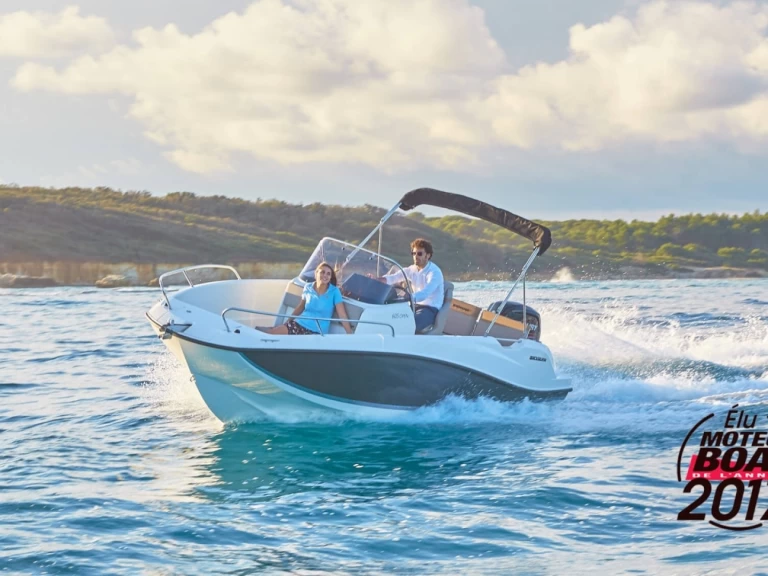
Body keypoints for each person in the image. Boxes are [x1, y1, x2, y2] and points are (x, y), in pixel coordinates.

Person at [265, 262, 353, 335]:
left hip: (318, 332)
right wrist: (287, 323)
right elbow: (300, 307)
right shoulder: (308, 287)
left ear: (330, 278)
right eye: (322, 272)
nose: (325, 275)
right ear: (316, 273)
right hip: (300, 324)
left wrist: (349, 335)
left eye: (328, 274)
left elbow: (342, 315)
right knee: (272, 334)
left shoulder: (334, 291)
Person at [381, 238, 444, 332]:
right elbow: (394, 277)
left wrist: (408, 297)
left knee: (407, 326)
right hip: (413, 306)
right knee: (388, 318)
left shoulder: (434, 272)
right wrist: (377, 280)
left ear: (428, 255)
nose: (415, 256)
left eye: (419, 254)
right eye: (413, 253)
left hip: (429, 309)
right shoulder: (412, 269)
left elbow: (424, 294)